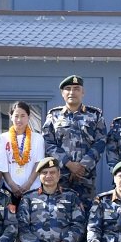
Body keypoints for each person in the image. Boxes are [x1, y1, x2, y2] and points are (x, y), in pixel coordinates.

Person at [42, 75, 106, 214]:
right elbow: (48, 142)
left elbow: (100, 142)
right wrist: (68, 164)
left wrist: (83, 166)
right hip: (60, 175)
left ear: (83, 92)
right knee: (60, 212)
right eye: (68, 89)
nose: (72, 92)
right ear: (62, 93)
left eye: (76, 89)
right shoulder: (54, 115)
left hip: (85, 176)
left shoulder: (95, 115)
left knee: (86, 213)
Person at [0, 101, 44, 200]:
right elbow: (2, 164)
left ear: (29, 116)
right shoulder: (3, 138)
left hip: (32, 189)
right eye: (16, 116)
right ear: (10, 116)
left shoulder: (38, 138)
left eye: (23, 116)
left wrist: (29, 184)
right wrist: (11, 184)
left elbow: (38, 163)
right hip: (9, 189)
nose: (19, 120)